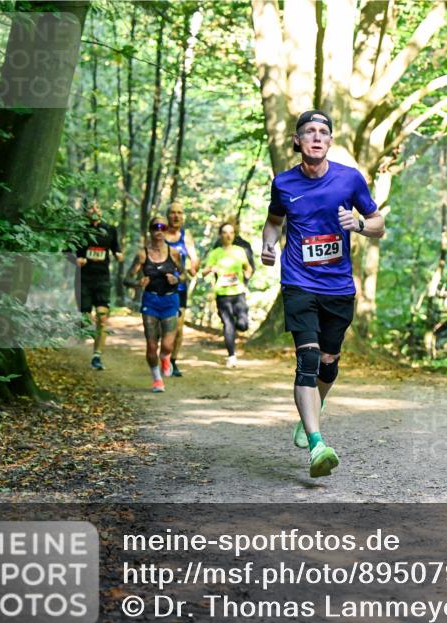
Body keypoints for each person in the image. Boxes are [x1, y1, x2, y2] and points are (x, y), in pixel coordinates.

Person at [260, 109, 385, 478]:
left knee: (329, 363)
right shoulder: (283, 183)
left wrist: (360, 224)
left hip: (339, 287)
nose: (316, 137)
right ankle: (317, 443)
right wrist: (268, 245)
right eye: (309, 132)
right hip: (298, 283)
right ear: (297, 141)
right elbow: (274, 222)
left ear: (330, 141)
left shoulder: (350, 181)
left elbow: (379, 224)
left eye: (323, 132)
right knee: (309, 360)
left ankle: (313, 409)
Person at [126, 216, 182, 393]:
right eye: (155, 227)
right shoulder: (142, 255)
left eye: (163, 227)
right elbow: (126, 279)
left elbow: (185, 274)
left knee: (166, 345)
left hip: (170, 300)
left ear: (166, 230)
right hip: (151, 300)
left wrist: (177, 279)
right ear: (150, 230)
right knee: (151, 345)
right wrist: (137, 283)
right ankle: (157, 379)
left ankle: (165, 357)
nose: (159, 231)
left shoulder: (173, 253)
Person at [75, 200, 122, 370]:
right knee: (86, 319)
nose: (94, 210)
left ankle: (97, 356)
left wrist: (118, 255)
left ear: (101, 211)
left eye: (97, 207)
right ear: (86, 212)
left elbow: (117, 249)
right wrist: (76, 259)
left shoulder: (109, 230)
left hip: (102, 279)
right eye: (90, 208)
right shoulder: (80, 230)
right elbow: (67, 251)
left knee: (102, 318)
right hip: (83, 280)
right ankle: (80, 325)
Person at [201, 222, 253, 367]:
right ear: (221, 235)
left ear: (234, 235)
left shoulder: (239, 251)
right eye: (225, 232)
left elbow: (248, 268)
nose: (228, 235)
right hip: (222, 295)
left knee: (242, 324)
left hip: (238, 293)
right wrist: (212, 269)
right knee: (228, 325)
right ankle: (231, 356)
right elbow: (204, 271)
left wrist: (246, 278)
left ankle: (238, 327)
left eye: (231, 232)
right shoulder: (215, 253)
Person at [164, 201, 199, 377]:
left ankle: (173, 361)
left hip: (179, 287)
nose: (176, 216)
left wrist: (194, 266)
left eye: (179, 213)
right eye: (172, 213)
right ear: (167, 215)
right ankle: (162, 358)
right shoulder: (159, 234)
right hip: (159, 287)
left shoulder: (186, 236)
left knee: (178, 327)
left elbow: (194, 257)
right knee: (162, 327)